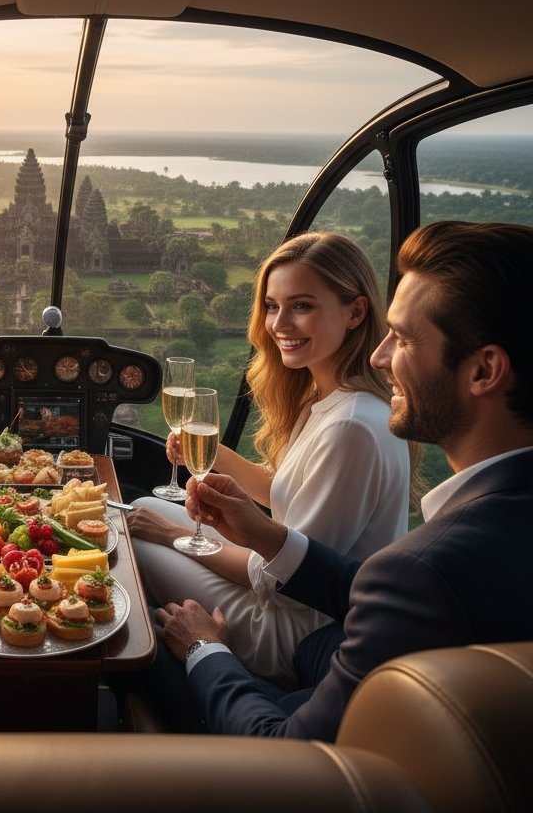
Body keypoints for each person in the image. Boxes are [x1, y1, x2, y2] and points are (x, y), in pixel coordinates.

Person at [154, 220, 533, 740]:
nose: (380, 356)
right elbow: (363, 582)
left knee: (144, 604)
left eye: (403, 339)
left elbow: (285, 751)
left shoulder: (423, 566)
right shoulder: (482, 533)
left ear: (484, 371)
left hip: (297, 660)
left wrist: (204, 648)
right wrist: (264, 533)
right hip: (327, 638)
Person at [128, 232, 412, 685]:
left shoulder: (351, 427)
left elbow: (275, 580)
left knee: (135, 543)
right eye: (272, 306)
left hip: (289, 627)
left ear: (355, 312)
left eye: (302, 306)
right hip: (275, 589)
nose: (280, 323)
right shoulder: (329, 401)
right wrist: (212, 453)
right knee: (142, 507)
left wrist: (172, 535)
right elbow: (278, 487)